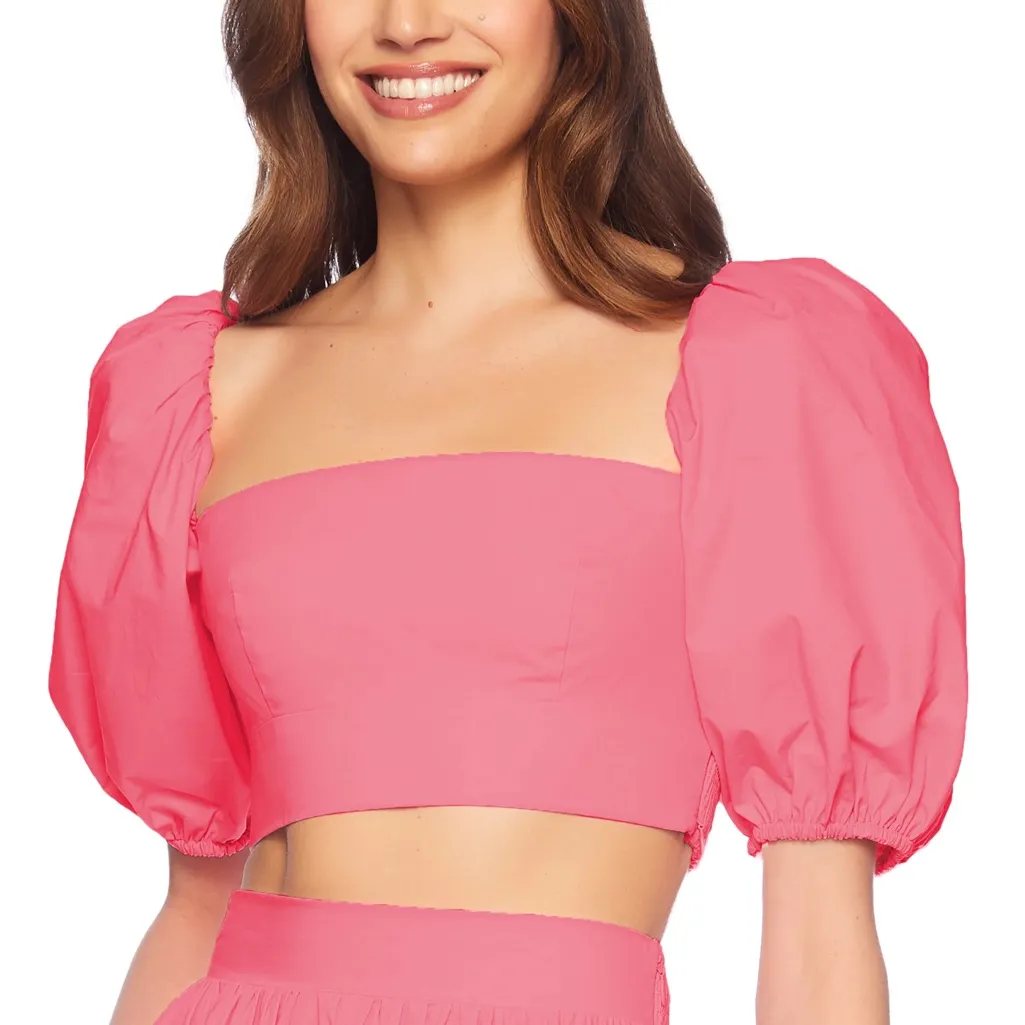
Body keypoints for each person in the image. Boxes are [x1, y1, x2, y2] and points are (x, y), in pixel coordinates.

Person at [46, 2, 968, 1024]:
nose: (406, 23)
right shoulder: (198, 391)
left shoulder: (757, 366)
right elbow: (196, 902)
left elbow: (818, 929)